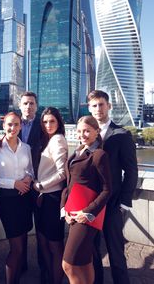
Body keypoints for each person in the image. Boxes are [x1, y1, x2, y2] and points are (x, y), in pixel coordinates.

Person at [87, 90, 138, 284]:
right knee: (92, 252)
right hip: (91, 203)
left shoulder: (122, 134)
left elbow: (131, 171)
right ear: (89, 108)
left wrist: (124, 202)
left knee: (116, 253)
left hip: (113, 204)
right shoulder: (87, 134)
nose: (98, 109)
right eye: (94, 105)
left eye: (101, 104)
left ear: (108, 106)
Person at [61, 115, 111, 284]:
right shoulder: (77, 152)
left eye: (87, 131)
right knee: (84, 262)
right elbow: (69, 185)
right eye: (80, 131)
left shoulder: (98, 155)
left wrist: (88, 213)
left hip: (86, 217)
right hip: (73, 213)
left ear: (97, 132)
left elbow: (107, 190)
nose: (83, 134)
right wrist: (64, 210)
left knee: (68, 264)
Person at [0, 112, 34, 284]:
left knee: (22, 242)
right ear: (3, 126)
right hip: (7, 201)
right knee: (16, 248)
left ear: (20, 126)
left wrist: (28, 178)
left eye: (16, 124)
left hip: (24, 199)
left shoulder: (26, 148)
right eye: (9, 124)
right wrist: (14, 183)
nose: (12, 128)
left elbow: (30, 170)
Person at [33, 107, 67, 284]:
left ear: (58, 122)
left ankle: (56, 280)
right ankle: (48, 277)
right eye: (45, 121)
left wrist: (40, 185)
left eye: (52, 121)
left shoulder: (58, 140)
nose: (48, 125)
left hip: (52, 199)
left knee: (54, 245)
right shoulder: (48, 140)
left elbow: (62, 173)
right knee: (43, 242)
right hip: (43, 199)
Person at [18, 91, 46, 282]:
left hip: (38, 186)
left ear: (37, 106)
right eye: (25, 103)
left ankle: (44, 267)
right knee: (20, 228)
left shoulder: (44, 126)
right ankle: (21, 264)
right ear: (20, 105)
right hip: (18, 187)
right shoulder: (13, 124)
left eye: (32, 103)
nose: (29, 107)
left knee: (42, 228)